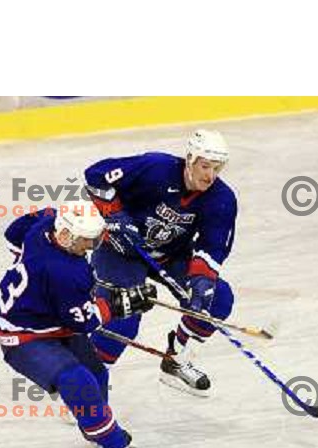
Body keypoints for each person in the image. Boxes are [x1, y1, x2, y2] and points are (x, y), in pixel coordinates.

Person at [0, 200, 156, 448]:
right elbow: (85, 321)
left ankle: (93, 427)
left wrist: (28, 264)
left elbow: (12, 232)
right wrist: (119, 304)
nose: (91, 247)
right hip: (23, 337)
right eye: (87, 241)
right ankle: (115, 447)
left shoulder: (46, 225)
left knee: (97, 376)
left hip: (49, 318)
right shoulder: (66, 272)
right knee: (75, 379)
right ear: (66, 235)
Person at [84, 130, 237, 396]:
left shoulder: (222, 198)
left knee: (218, 299)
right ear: (189, 159)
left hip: (171, 255)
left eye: (217, 168)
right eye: (204, 166)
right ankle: (84, 384)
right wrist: (115, 216)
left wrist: (201, 282)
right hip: (120, 249)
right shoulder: (155, 168)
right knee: (125, 315)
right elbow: (96, 174)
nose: (210, 175)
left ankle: (175, 360)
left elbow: (213, 246)